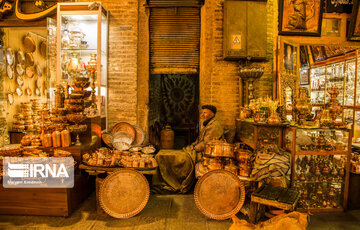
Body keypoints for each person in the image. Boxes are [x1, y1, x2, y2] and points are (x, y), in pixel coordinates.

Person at [151, 104, 224, 194]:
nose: (202, 115)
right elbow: (199, 140)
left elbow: (206, 144)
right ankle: (162, 177)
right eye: (202, 112)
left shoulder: (214, 126)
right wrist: (192, 146)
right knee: (164, 154)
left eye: (205, 113)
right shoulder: (208, 124)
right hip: (199, 150)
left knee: (181, 159)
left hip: (205, 153)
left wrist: (194, 148)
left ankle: (174, 181)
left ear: (211, 114)